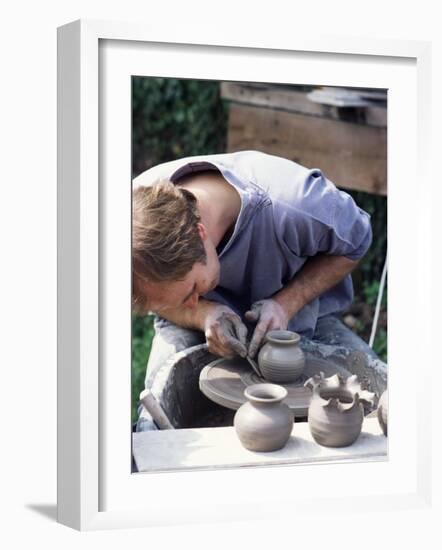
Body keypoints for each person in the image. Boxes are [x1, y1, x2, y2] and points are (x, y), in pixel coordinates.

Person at [132, 150, 377, 431]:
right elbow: (164, 302)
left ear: (200, 234)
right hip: (188, 327)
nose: (190, 302)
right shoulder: (131, 219)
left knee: (382, 401)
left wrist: (287, 303)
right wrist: (202, 314)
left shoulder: (296, 202)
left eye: (192, 290)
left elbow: (357, 242)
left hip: (303, 316)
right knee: (154, 422)